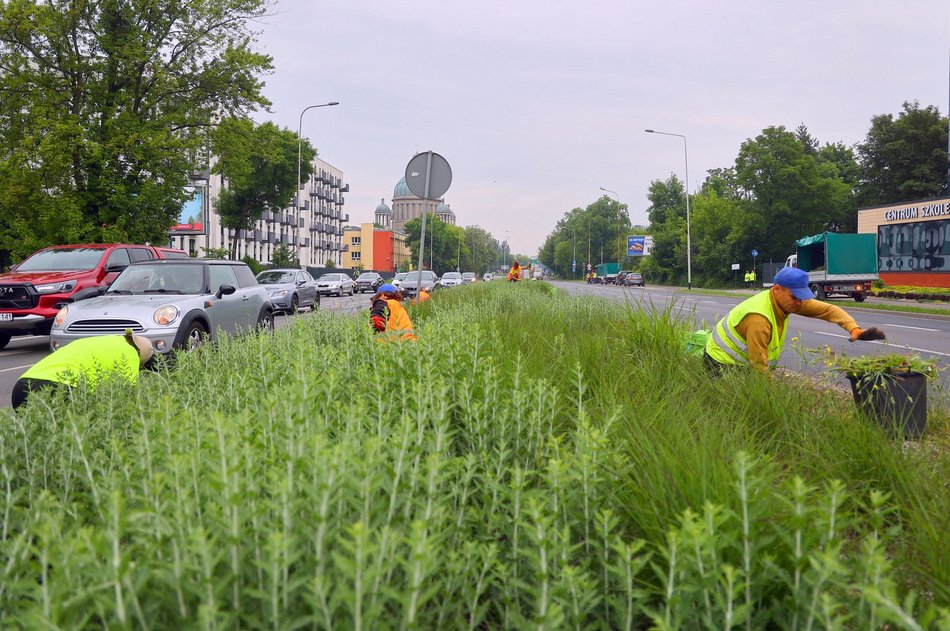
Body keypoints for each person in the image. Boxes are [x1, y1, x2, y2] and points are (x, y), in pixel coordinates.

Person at [704, 267, 885, 373]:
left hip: (741, 362)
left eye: (802, 297)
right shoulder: (759, 319)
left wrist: (854, 329)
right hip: (721, 363)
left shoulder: (789, 301)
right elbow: (758, 368)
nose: (799, 303)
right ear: (776, 289)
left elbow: (829, 310)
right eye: (794, 297)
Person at [12, 329, 154, 409]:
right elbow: (126, 396)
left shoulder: (99, 341)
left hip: (21, 387)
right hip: (58, 389)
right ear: (139, 354)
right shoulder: (130, 353)